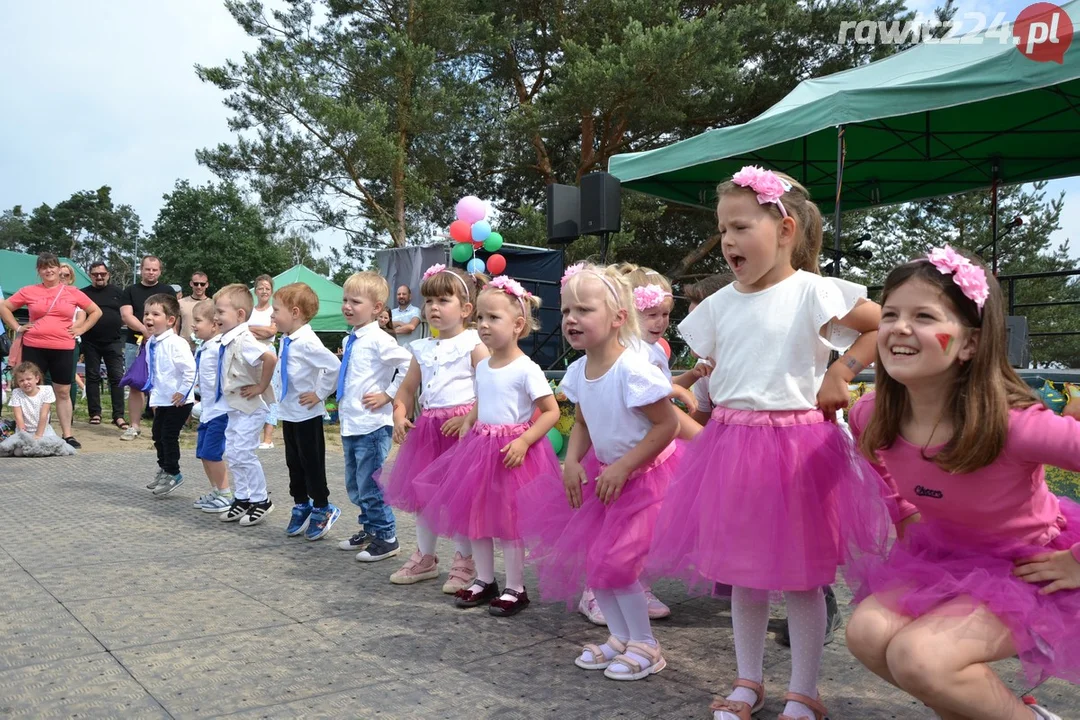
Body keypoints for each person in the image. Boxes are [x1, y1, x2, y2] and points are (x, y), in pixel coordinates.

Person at [646, 166, 890, 720]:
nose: (728, 240)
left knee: (802, 577)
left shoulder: (813, 291)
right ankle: (748, 679)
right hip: (731, 446)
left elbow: (881, 325)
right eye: (722, 230)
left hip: (797, 448)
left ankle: (804, 688)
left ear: (784, 230)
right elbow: (716, 364)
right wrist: (689, 388)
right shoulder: (720, 303)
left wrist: (842, 370)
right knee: (742, 574)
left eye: (740, 227)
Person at [844, 248, 1079, 720]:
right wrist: (904, 511)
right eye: (890, 314)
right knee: (867, 633)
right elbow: (877, 461)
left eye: (924, 316)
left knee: (921, 658)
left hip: (1030, 569)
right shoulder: (871, 414)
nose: (899, 327)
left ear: (970, 344)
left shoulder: (1016, 426)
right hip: (946, 558)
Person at [516, 263, 681, 681]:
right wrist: (571, 461)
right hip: (610, 480)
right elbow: (585, 423)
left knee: (621, 564)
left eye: (584, 310)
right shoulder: (578, 372)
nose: (571, 318)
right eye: (567, 309)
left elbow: (668, 426)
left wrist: (626, 465)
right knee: (597, 562)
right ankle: (622, 637)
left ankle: (647, 644)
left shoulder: (633, 371)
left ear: (618, 318)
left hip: (645, 480)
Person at [414, 276, 561, 616]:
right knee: (475, 517)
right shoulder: (485, 365)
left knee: (509, 523)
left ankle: (515, 587)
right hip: (480, 449)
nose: (483, 325)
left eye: (493, 318)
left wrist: (525, 440)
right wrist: (469, 421)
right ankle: (484, 579)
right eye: (480, 318)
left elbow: (550, 412)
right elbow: (482, 397)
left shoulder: (527, 368)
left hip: (512, 453)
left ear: (517, 324)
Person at [381, 264, 488, 592]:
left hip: (462, 431)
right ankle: (425, 557)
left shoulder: (474, 343)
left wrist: (472, 415)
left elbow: (491, 386)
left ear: (466, 308)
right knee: (423, 495)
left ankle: (464, 559)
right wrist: (399, 415)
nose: (434, 308)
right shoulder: (422, 348)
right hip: (428, 430)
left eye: (443, 300)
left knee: (460, 498)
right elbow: (407, 389)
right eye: (429, 301)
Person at [334, 272, 412, 561]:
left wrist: (388, 395)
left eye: (355, 301)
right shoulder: (352, 338)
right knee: (356, 483)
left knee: (371, 483)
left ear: (377, 308)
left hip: (371, 425)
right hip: (352, 423)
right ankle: (370, 529)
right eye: (345, 300)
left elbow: (406, 365)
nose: (347, 306)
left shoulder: (378, 339)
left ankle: (387, 536)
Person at [0, 252, 102, 449]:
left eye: (52, 266)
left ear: (58, 268)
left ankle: (68, 434)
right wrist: (17, 326)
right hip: (34, 345)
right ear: (39, 271)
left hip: (63, 346)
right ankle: (30, 430)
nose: (49, 270)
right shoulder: (29, 291)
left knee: (63, 391)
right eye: (44, 267)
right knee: (30, 388)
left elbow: (96, 311)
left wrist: (81, 329)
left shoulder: (72, 292)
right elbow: (5, 307)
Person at [272, 282, 343, 541]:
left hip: (306, 414)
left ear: (294, 312)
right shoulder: (288, 339)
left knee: (311, 462)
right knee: (293, 462)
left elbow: (333, 366)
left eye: (276, 310)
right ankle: (301, 503)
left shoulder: (307, 342)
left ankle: (323, 506)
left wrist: (319, 393)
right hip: (289, 411)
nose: (272, 315)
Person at [214, 283, 278, 526]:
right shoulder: (228, 339)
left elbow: (270, 357)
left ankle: (261, 500)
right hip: (235, 407)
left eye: (221, 312)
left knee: (243, 452)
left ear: (240, 315)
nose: (216, 317)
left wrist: (261, 387)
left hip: (250, 407)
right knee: (233, 452)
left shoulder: (244, 339)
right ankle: (242, 498)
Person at [141, 294, 196, 497]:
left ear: (170, 320)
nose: (149, 318)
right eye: (146, 313)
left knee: (168, 436)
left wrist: (183, 392)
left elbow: (190, 370)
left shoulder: (176, 343)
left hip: (178, 400)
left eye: (156, 314)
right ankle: (164, 468)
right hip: (162, 399)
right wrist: (153, 396)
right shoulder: (151, 343)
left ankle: (174, 472)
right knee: (157, 435)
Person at [189, 299, 234, 513]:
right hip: (207, 411)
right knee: (203, 453)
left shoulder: (219, 348)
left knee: (212, 453)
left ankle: (226, 493)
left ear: (214, 324)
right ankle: (217, 490)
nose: (193, 325)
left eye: (198, 320)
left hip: (220, 412)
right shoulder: (204, 348)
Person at [119, 256, 168, 440]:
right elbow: (126, 315)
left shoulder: (167, 290)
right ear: (141, 269)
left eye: (154, 269)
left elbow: (173, 318)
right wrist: (145, 330)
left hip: (163, 344)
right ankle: (134, 426)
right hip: (136, 344)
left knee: (163, 384)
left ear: (160, 271)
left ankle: (163, 428)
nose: (151, 272)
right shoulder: (130, 290)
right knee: (135, 384)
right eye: (147, 269)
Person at [80, 261, 129, 430]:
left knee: (117, 378)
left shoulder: (118, 292)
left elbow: (124, 314)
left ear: (108, 274)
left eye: (102, 274)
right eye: (95, 274)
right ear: (90, 275)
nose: (99, 277)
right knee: (92, 377)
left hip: (113, 341)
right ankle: (95, 413)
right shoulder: (83, 293)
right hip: (90, 341)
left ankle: (119, 416)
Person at [249, 274, 279, 449]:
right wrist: (259, 330)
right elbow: (242, 329)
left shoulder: (273, 311)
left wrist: (251, 329)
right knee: (253, 390)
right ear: (256, 290)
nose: (264, 291)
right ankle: (253, 433)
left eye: (267, 288)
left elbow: (270, 332)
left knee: (270, 391)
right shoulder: (250, 310)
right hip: (251, 352)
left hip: (267, 350)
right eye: (261, 288)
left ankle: (268, 438)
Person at [9, 361, 57, 438]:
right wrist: (23, 434)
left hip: (43, 429)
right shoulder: (16, 393)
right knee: (19, 449)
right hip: (24, 429)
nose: (25, 382)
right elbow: (18, 416)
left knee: (48, 447)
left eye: (28, 379)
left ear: (37, 379)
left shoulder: (47, 391)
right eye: (21, 380)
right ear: (17, 382)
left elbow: (44, 414)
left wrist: (38, 435)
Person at [178, 271, 210, 350]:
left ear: (207, 285)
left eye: (202, 284)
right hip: (184, 347)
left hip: (205, 347)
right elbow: (176, 327)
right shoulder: (181, 303)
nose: (199, 287)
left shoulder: (212, 304)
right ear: (191, 284)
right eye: (196, 284)